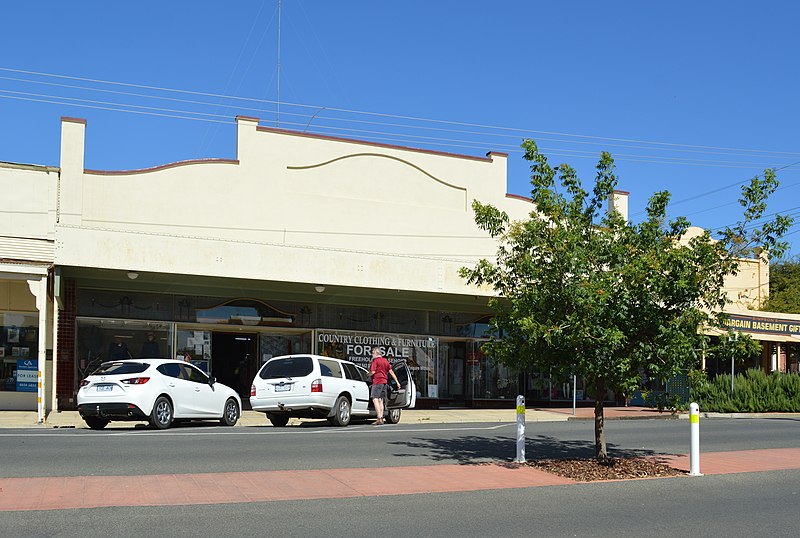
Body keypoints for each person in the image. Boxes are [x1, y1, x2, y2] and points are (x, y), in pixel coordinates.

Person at [369, 346, 400, 425]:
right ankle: (381, 418)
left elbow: (372, 372)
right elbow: (391, 371)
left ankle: (379, 418)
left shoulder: (375, 361)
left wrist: (367, 375)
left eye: (373, 353)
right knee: (381, 400)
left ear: (376, 353)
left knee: (375, 399)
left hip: (377, 381)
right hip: (384, 382)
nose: (372, 354)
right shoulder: (385, 361)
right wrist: (397, 382)